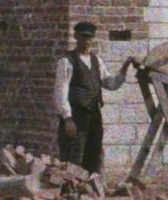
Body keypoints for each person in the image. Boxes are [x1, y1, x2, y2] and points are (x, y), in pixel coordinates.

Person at [54, 21, 131, 175]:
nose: (86, 41)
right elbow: (60, 91)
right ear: (76, 37)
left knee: (94, 152)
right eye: (83, 37)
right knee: (74, 154)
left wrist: (125, 67)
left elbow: (110, 83)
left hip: (94, 114)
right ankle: (70, 191)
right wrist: (67, 119)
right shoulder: (66, 61)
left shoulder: (97, 61)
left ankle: (91, 192)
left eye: (90, 37)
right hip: (76, 115)